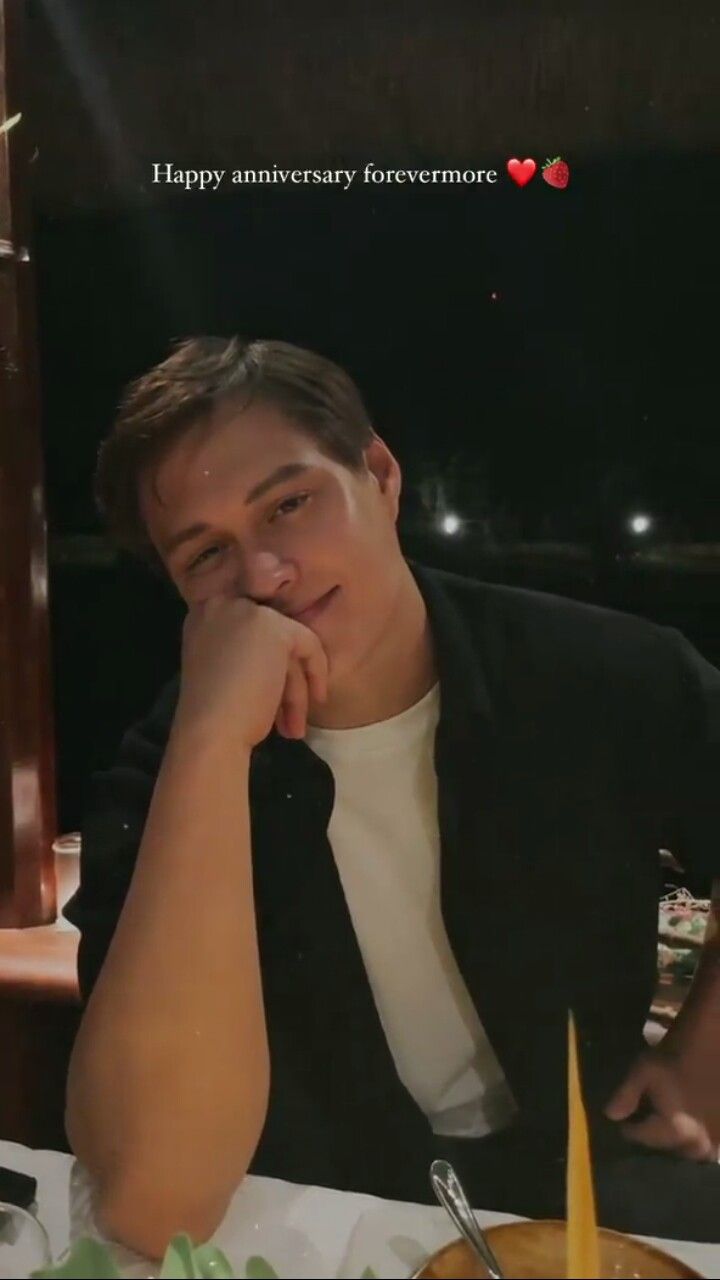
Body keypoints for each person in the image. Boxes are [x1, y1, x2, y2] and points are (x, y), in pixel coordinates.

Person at [64, 337, 720, 1258]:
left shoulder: (597, 673)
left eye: (288, 504)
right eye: (206, 553)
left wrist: (703, 1054)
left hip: (602, 1176)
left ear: (379, 474)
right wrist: (210, 745)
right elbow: (150, 1204)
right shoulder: (163, 769)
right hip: (333, 1211)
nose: (263, 575)